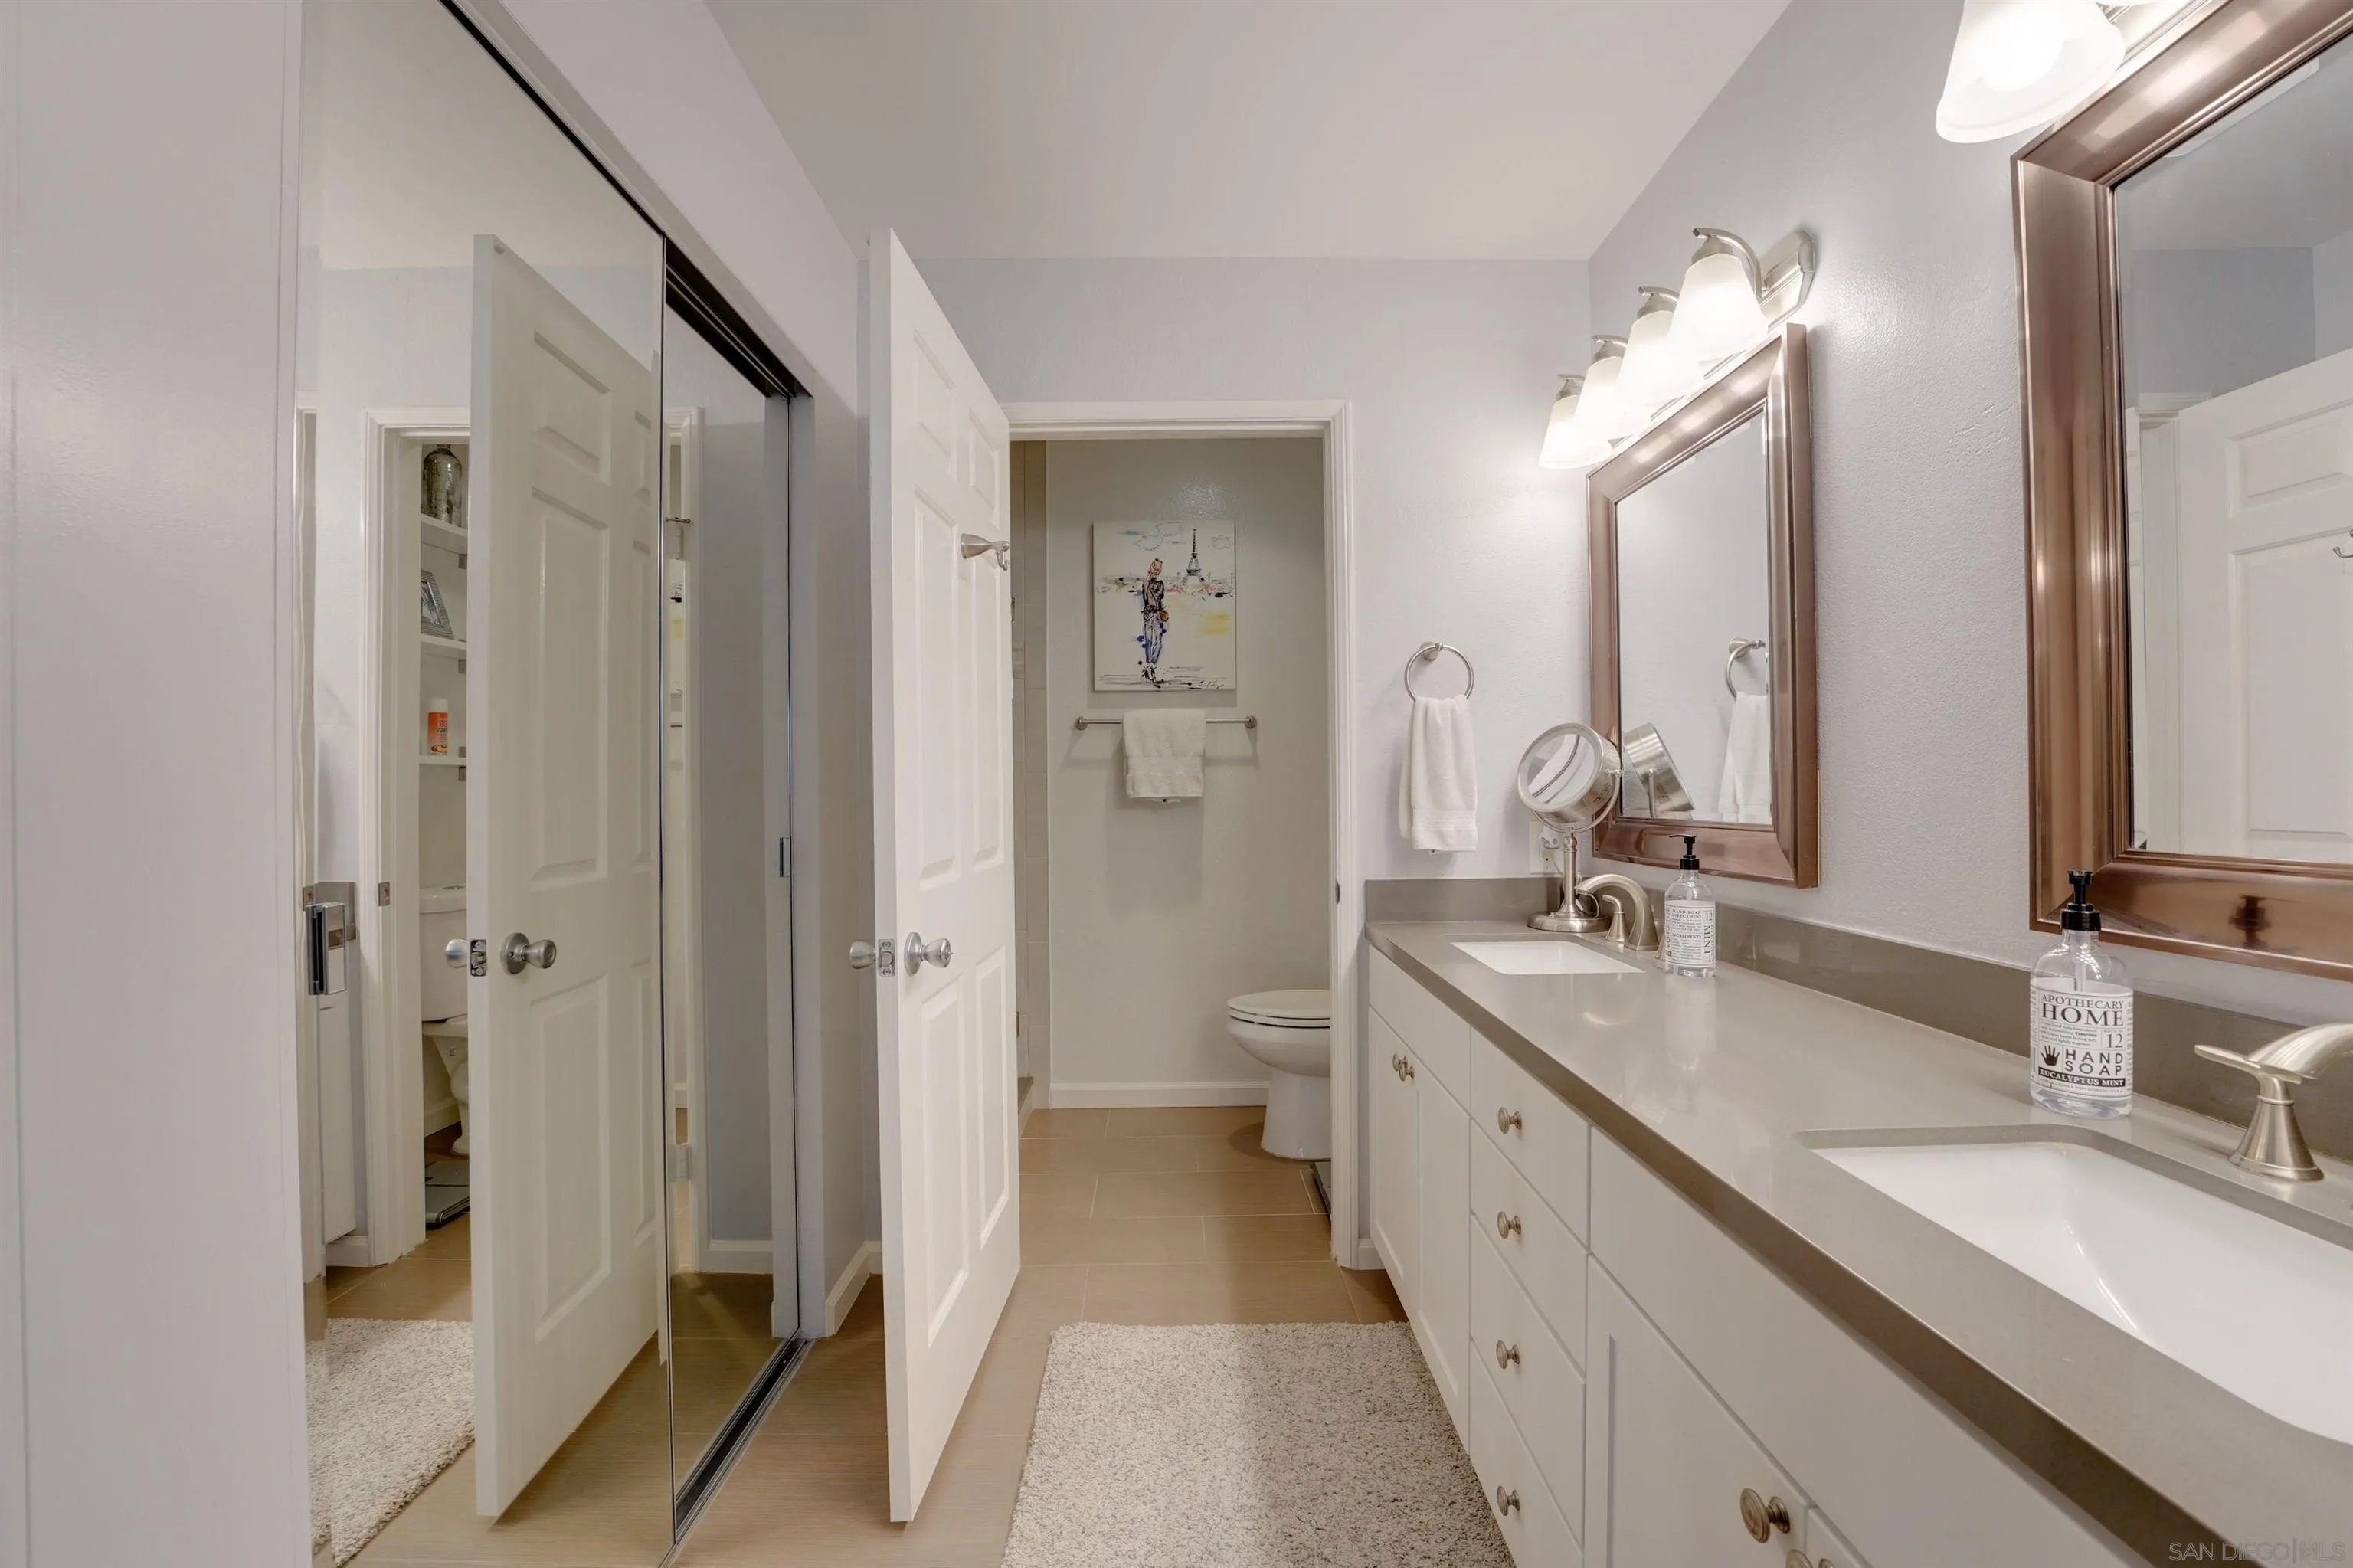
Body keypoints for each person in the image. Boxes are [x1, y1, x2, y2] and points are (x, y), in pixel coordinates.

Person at [1135, 557, 1170, 685]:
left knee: (1158, 643)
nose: (1157, 571)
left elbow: (1160, 601)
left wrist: (1163, 613)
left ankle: (1151, 666)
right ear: (1151, 568)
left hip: (1157, 615)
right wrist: (1149, 576)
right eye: (1155, 568)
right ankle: (1149, 667)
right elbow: (1145, 595)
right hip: (1148, 615)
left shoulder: (1161, 585)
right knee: (1149, 642)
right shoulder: (1146, 584)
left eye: (1158, 569)